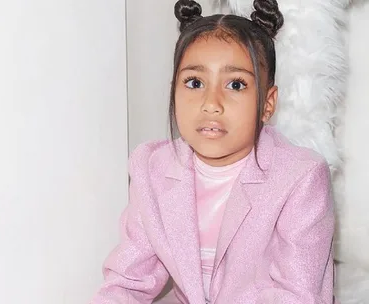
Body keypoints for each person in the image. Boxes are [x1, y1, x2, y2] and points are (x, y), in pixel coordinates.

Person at [91, 0, 336, 303]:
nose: (211, 103)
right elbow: (127, 282)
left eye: (236, 84)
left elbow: (296, 294)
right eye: (194, 82)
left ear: (267, 104)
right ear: (174, 91)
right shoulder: (151, 169)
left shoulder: (300, 178)